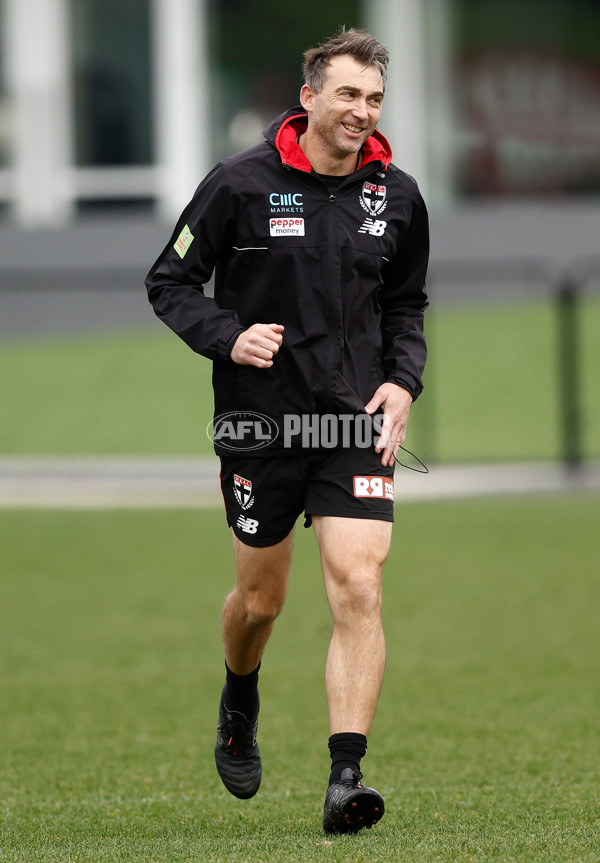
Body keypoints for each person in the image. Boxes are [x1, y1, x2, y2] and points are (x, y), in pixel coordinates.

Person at [146, 26, 429, 835]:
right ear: (309, 97)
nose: (361, 112)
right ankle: (240, 694)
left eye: (374, 99)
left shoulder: (397, 194)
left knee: (360, 582)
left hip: (352, 426)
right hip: (260, 424)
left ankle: (347, 776)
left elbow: (406, 304)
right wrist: (227, 334)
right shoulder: (237, 183)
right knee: (261, 601)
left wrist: (402, 381)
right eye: (347, 94)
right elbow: (169, 280)